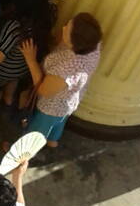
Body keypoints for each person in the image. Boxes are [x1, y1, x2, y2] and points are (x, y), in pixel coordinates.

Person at [20, 12, 103, 146]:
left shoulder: (66, 70)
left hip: (51, 107)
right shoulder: (93, 45)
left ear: (74, 42)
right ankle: (52, 141)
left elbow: (43, 90)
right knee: (58, 122)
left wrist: (30, 60)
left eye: (67, 29)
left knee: (35, 133)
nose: (64, 27)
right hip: (68, 101)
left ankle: (21, 156)